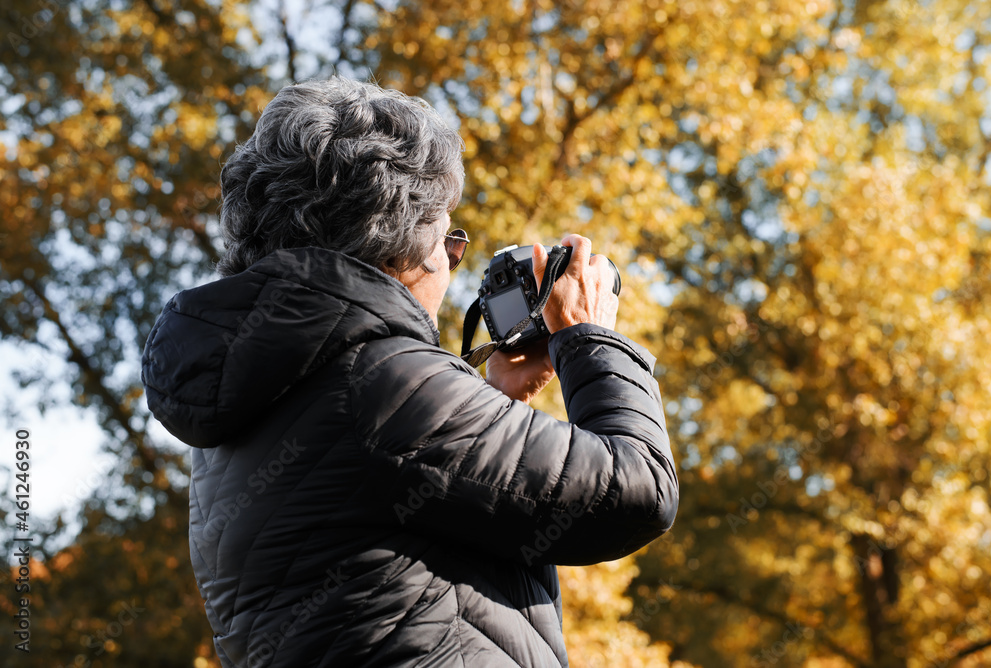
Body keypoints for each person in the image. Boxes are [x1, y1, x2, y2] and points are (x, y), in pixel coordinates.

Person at [141, 76, 678, 668]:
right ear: (400, 248)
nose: (451, 264)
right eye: (450, 241)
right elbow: (637, 489)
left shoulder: (248, 408)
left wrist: (491, 399)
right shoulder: (381, 381)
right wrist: (588, 333)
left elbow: (386, 549)